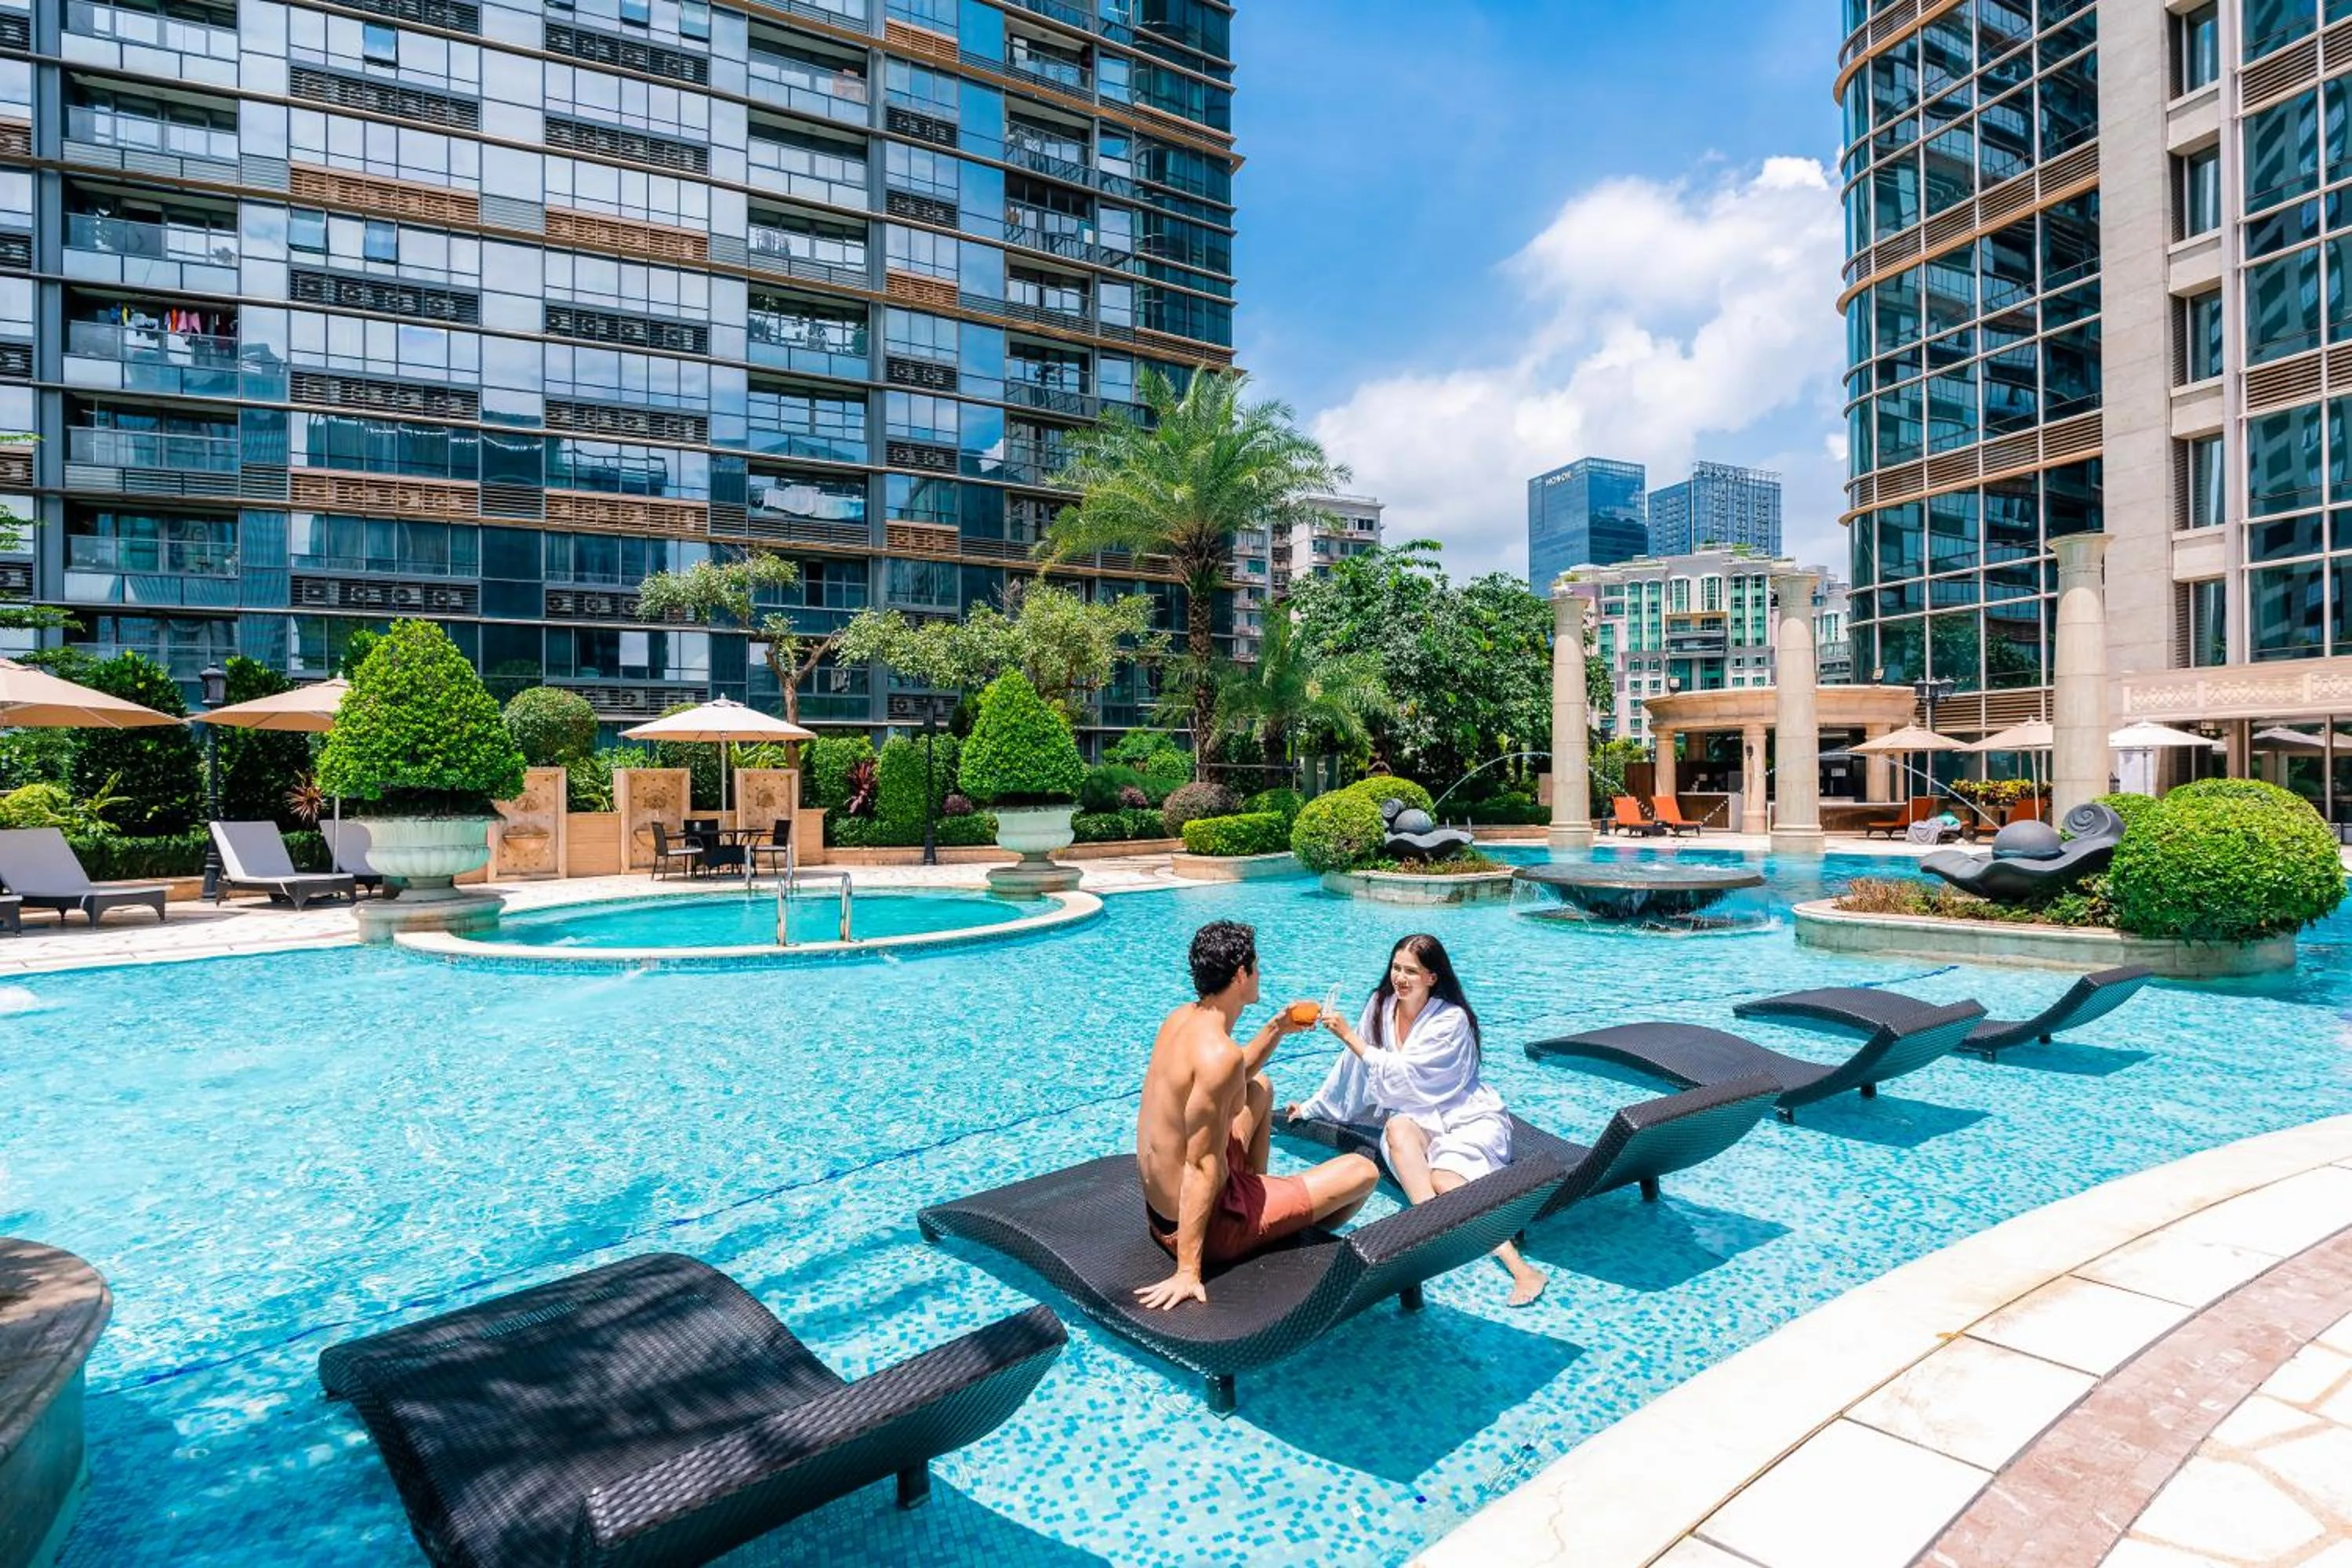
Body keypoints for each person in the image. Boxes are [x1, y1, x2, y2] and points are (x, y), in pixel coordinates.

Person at [1287, 934, 1549, 1308]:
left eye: (1412, 970)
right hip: (1415, 1118)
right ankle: (1434, 1238)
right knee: (1396, 1129)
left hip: (1463, 1116)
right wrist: (1313, 1107)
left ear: (1432, 977)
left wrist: (1348, 1036)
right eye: (1396, 967)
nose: (1400, 977)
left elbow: (1406, 1073)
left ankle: (1521, 1269)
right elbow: (1350, 1071)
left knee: (1445, 1179)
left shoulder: (1451, 1019)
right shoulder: (1380, 1006)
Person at [1134, 920, 1381, 1312]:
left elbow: (1229, 1076)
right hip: (1202, 1230)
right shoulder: (1220, 1057)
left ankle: (1262, 1196)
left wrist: (1277, 1028)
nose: (1260, 974)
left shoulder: (1180, 1019)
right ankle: (1271, 1227)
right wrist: (1187, 1271)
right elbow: (1201, 1168)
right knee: (1363, 1172)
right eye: (1256, 967)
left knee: (1260, 1088)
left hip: (1160, 1215)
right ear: (1240, 975)